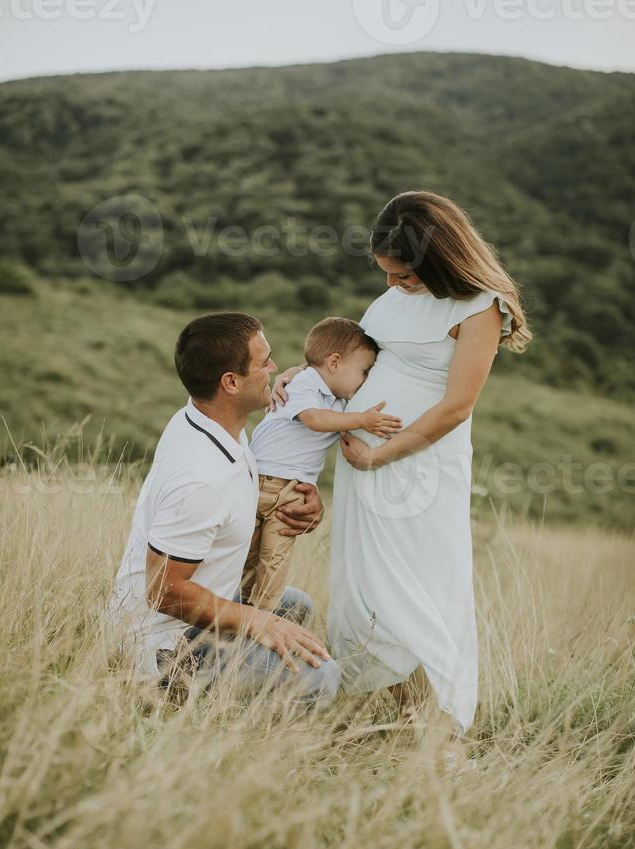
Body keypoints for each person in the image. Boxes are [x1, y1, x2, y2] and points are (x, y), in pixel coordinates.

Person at [270, 190, 530, 763]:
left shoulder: (479, 307)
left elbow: (457, 406)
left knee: (420, 589)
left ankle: (443, 733)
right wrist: (301, 374)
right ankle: (406, 716)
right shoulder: (391, 300)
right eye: (385, 274)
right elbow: (354, 357)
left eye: (405, 275)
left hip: (417, 468)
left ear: (440, 260)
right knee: (368, 590)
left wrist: (380, 456)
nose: (393, 286)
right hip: (363, 467)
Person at [108, 311, 341, 707]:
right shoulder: (200, 478)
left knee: (296, 606)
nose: (275, 369)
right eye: (264, 362)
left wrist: (299, 504)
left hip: (204, 596)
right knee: (321, 680)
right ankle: (180, 699)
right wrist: (255, 621)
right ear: (230, 383)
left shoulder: (211, 419)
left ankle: (237, 682)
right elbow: (162, 590)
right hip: (166, 642)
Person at [241, 316, 402, 610]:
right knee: (243, 557)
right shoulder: (305, 383)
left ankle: (259, 622)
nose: (365, 380)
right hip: (256, 483)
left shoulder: (340, 402)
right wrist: (364, 419)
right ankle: (232, 617)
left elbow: (336, 420)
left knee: (273, 563)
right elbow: (314, 420)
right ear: (335, 362)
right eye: (364, 372)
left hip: (290, 494)